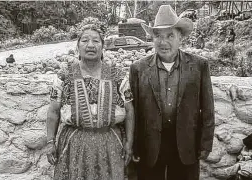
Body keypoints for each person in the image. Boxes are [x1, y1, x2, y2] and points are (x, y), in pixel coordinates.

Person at [129, 5, 215, 180]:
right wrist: (134, 145)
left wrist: (206, 143)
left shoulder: (199, 66)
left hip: (186, 144)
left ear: (180, 37)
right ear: (152, 39)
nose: (163, 42)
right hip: (150, 145)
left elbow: (208, 108)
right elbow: (134, 111)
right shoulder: (138, 68)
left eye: (170, 35)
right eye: (158, 36)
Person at [46, 24, 134, 180]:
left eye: (96, 41)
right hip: (73, 145)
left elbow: (130, 110)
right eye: (85, 40)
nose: (91, 45)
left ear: (103, 46)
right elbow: (53, 111)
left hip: (110, 145)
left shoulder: (117, 75)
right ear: (77, 46)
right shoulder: (64, 75)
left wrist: (130, 143)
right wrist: (50, 142)